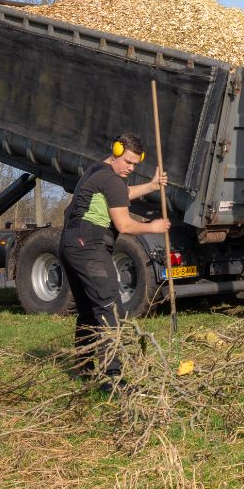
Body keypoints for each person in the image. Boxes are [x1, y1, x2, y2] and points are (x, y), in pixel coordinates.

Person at [58, 132, 168, 392]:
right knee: (110, 308)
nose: (131, 168)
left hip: (70, 245)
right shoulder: (112, 180)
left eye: (135, 164)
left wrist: (151, 186)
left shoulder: (98, 171)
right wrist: (153, 227)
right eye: (128, 162)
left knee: (89, 309)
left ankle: (84, 368)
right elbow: (124, 225)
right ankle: (113, 378)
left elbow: (122, 193)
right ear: (116, 150)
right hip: (89, 248)